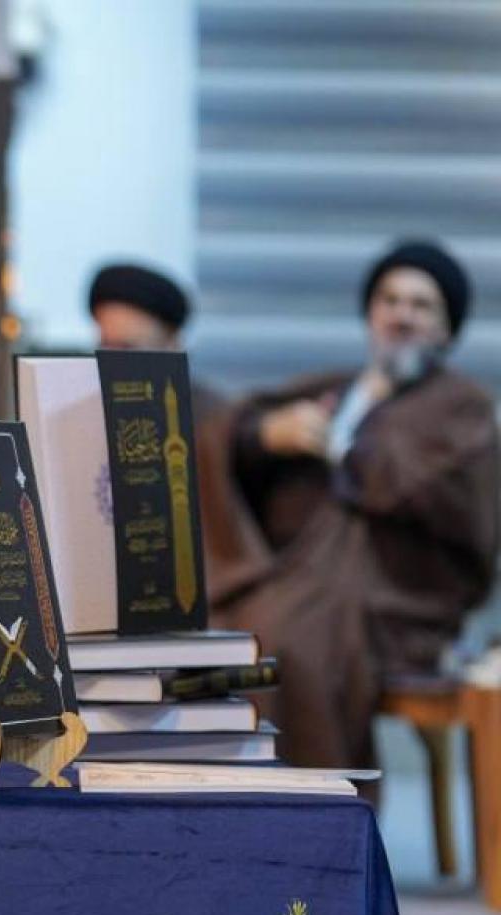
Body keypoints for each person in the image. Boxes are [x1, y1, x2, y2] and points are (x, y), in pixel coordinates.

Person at [213, 239, 498, 770]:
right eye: (390, 300)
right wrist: (268, 435)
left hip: (397, 594)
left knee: (291, 642)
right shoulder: (339, 388)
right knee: (215, 629)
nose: (402, 316)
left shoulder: (462, 407)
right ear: (370, 314)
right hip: (302, 577)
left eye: (421, 305)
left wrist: (346, 445)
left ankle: (316, 806)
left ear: (446, 329)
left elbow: (434, 490)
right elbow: (236, 431)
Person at [87, 262, 249, 603]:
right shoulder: (81, 410)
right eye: (106, 347)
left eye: (128, 349)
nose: (113, 363)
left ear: (173, 344)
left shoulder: (214, 416)